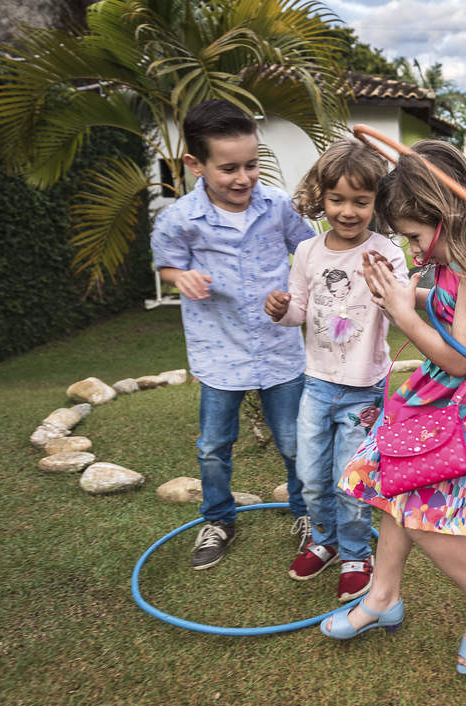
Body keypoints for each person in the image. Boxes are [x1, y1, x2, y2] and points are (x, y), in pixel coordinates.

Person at [321, 139, 466, 676]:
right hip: (440, 392)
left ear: (443, 217)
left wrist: (402, 313)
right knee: (391, 482)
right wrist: (407, 294)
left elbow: (463, 358)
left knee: (425, 513)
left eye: (416, 238)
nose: (415, 253)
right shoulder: (456, 253)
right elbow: (447, 305)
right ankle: (382, 598)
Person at [152, 99, 315, 570]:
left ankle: (305, 513)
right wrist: (178, 277)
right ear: (195, 164)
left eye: (251, 164)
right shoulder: (179, 218)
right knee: (212, 446)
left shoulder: (279, 206)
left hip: (279, 349)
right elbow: (167, 263)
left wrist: (294, 294)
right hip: (218, 351)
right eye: (228, 168)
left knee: (292, 441)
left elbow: (308, 255)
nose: (243, 177)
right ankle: (219, 519)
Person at [264, 138, 409, 602]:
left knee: (351, 477)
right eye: (337, 200)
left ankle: (354, 553)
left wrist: (391, 290)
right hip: (318, 382)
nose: (348, 211)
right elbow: (298, 313)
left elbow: (405, 308)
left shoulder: (386, 251)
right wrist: (280, 309)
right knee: (310, 473)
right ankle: (323, 540)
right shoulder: (307, 252)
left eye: (361, 202)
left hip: (364, 388)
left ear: (376, 202)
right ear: (320, 197)